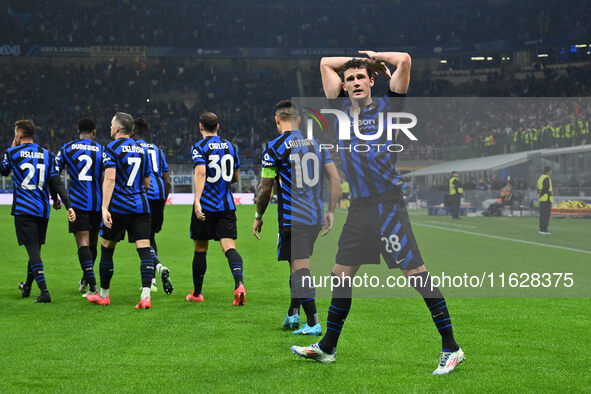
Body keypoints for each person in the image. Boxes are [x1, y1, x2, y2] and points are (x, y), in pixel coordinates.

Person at [291, 52, 464, 375]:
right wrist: (357, 61)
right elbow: (325, 63)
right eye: (350, 79)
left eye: (361, 77)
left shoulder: (390, 107)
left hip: (388, 207)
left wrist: (374, 58)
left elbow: (407, 61)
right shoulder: (340, 110)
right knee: (341, 275)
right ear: (345, 86)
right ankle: (327, 347)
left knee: (417, 276)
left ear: (372, 81)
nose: (355, 82)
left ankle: (451, 348)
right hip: (359, 208)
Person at [252, 100, 340, 335]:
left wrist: (259, 215)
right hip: (314, 216)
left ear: (277, 120)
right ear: (299, 120)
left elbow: (264, 187)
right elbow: (335, 179)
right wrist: (330, 211)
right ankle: (293, 313)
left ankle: (312, 322)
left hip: (294, 217)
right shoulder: (318, 144)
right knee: (295, 265)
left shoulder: (274, 147)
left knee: (300, 268)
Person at [0, 119, 76, 302]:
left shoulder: (12, 152)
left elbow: (3, 171)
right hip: (42, 210)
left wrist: (11, 148)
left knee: (33, 250)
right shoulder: (47, 154)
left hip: (24, 209)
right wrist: (66, 204)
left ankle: (44, 291)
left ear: (18, 134)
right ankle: (27, 286)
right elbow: (55, 182)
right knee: (35, 249)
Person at [86, 112, 154, 309]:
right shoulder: (142, 149)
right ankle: (145, 296)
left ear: (117, 129)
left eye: (110, 125)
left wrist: (104, 207)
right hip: (141, 205)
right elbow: (147, 181)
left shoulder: (111, 148)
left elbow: (110, 178)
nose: (109, 128)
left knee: (107, 247)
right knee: (144, 249)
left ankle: (104, 295)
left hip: (119, 206)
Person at [188, 112, 246, 305]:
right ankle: (239, 284)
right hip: (226, 205)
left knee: (200, 248)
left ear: (200, 127)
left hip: (205, 205)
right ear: (218, 126)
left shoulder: (199, 147)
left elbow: (201, 172)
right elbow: (236, 176)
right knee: (229, 247)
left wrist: (197, 200)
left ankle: (197, 293)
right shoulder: (231, 146)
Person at [55, 119, 103, 295]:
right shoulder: (101, 150)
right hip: (97, 204)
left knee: (82, 243)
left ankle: (92, 286)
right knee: (93, 244)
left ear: (78, 131)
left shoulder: (67, 149)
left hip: (78, 203)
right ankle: (86, 279)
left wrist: (57, 197)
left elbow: (54, 174)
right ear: (93, 132)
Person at [132, 118, 174, 294]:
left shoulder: (133, 149)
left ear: (133, 133)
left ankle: (157, 270)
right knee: (150, 238)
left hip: (144, 195)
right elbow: (167, 179)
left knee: (141, 239)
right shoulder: (156, 149)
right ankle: (154, 280)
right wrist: (163, 203)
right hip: (158, 196)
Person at [537, 167, 553, 235]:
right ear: (548, 171)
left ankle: (541, 229)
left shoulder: (541, 177)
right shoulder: (546, 178)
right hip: (546, 198)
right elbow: (545, 188)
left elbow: (539, 187)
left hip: (542, 199)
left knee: (542, 214)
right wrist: (541, 194)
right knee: (546, 215)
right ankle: (544, 230)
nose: (551, 172)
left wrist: (539, 194)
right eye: (551, 171)